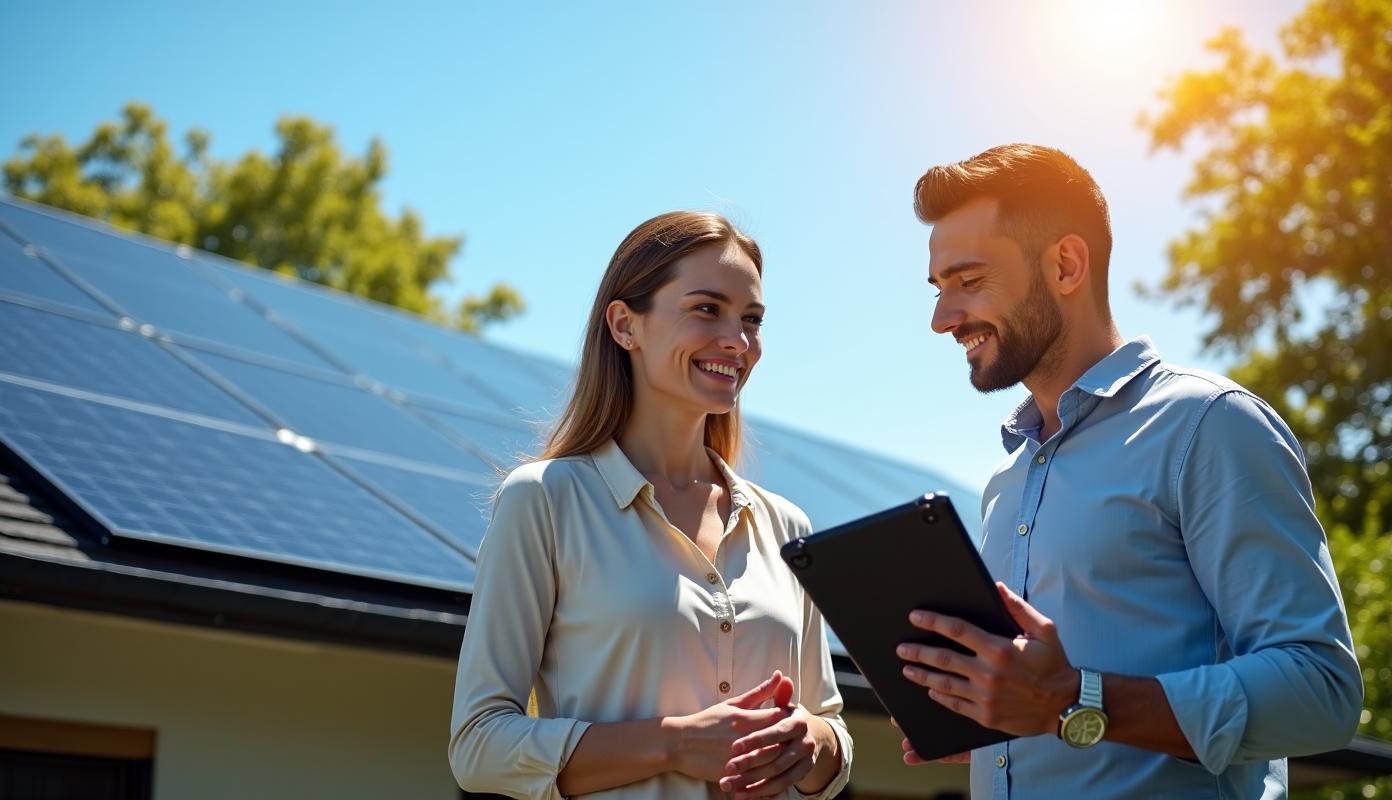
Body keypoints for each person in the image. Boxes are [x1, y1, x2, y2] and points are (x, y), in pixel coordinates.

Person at [896, 144, 1362, 798]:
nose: (942, 319)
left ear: (1065, 265)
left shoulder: (1208, 424)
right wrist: (986, 717)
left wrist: (1072, 699)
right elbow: (1039, 702)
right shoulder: (1007, 479)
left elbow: (1322, 692)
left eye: (968, 282)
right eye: (939, 288)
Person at [448, 211, 852, 799]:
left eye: (752, 319)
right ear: (624, 325)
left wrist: (812, 744)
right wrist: (677, 743)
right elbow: (479, 746)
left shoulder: (787, 526)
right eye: (706, 309)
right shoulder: (544, 501)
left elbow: (831, 731)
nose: (737, 342)